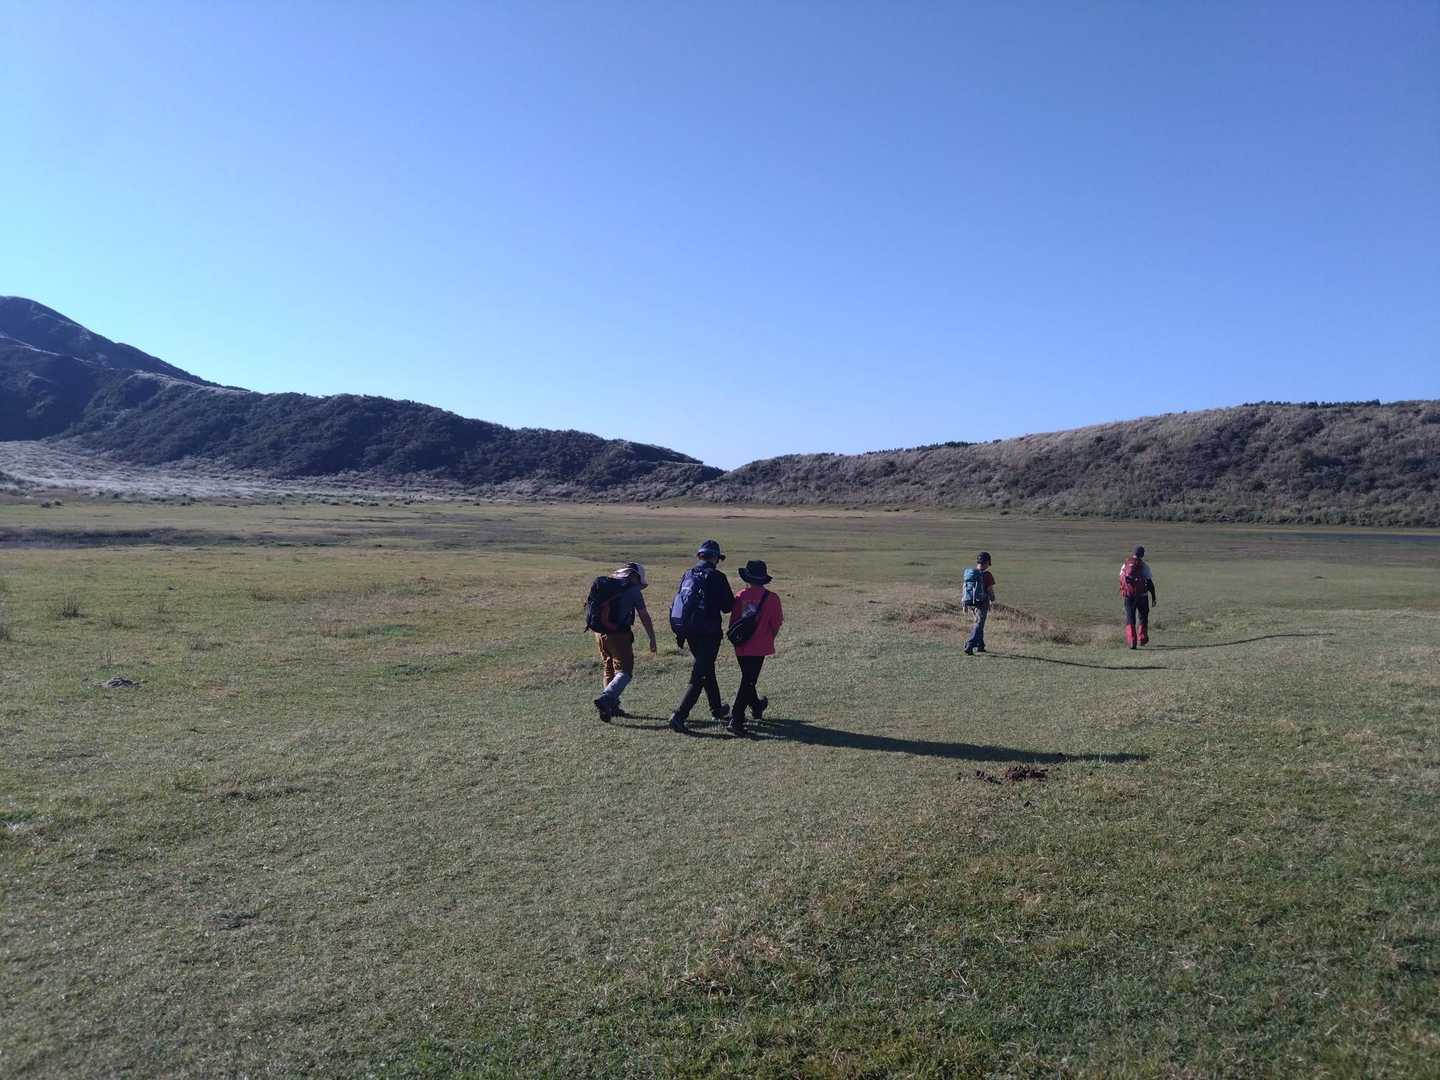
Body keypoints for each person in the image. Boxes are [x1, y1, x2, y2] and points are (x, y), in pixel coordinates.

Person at [667, 539, 734, 734]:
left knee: (706, 669)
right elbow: (728, 607)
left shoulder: (688, 574)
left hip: (690, 632)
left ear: (700, 556)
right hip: (709, 633)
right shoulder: (716, 576)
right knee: (700, 675)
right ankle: (679, 715)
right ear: (715, 558)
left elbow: (680, 604)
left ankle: (717, 709)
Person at [591, 563, 658, 721]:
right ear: (635, 576)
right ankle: (607, 698)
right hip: (618, 635)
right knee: (625, 672)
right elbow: (644, 615)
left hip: (599, 633)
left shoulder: (607, 583)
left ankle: (611, 708)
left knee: (609, 668)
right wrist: (652, 637)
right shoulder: (632, 590)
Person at [726, 560, 784, 737]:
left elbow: (733, 622)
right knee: (748, 681)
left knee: (748, 679)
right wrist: (768, 638)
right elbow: (776, 624)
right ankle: (736, 719)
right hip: (759, 646)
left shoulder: (740, 595)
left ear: (747, 578)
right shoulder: (772, 598)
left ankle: (757, 706)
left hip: (741, 645)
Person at [1119, 545, 1158, 648]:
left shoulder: (1125, 564)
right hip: (1142, 596)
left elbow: (1122, 578)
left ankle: (1132, 641)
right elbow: (1149, 583)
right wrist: (1153, 597)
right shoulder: (1144, 565)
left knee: (1130, 617)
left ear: (1133, 553)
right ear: (1142, 554)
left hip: (1129, 596)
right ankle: (1142, 639)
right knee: (1143, 617)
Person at [962, 551, 995, 656]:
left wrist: (964, 603)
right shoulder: (987, 575)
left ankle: (980, 645)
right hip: (982, 602)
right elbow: (990, 590)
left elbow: (965, 588)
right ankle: (969, 644)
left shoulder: (970, 573)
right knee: (979, 624)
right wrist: (992, 599)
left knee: (978, 622)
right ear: (987, 562)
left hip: (970, 602)